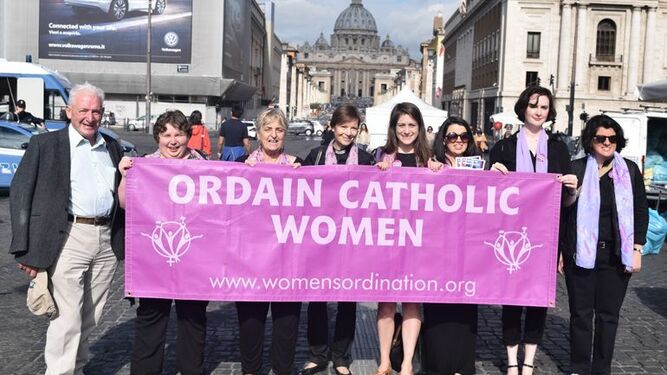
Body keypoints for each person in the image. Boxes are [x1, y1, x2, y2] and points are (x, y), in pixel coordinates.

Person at [9, 83, 125, 374]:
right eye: (83, 110)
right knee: (67, 316)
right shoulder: (46, 145)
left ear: (103, 113)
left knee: (91, 315)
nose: (90, 117)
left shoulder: (111, 146)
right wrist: (25, 249)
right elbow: (21, 192)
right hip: (68, 236)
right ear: (68, 111)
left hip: (105, 240)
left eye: (96, 110)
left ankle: (78, 366)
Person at [489, 86, 578, 375]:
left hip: (546, 236)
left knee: (538, 299)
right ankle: (512, 359)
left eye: (543, 107)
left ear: (549, 112)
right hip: (510, 234)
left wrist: (573, 189)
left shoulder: (558, 148)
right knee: (512, 298)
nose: (538, 111)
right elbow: (489, 196)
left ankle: (529, 361)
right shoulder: (503, 147)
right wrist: (491, 177)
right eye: (533, 106)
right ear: (523, 108)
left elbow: (566, 201)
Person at [118, 110, 209, 375]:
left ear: (187, 136)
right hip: (153, 256)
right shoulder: (143, 164)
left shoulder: (203, 163)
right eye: (167, 134)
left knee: (193, 316)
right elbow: (125, 203)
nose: (173, 141)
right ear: (158, 137)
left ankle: (191, 369)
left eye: (178, 134)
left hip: (194, 255)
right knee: (151, 316)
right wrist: (125, 176)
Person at [562, 114, 648, 375]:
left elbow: (641, 210)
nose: (607, 142)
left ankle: (601, 369)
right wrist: (572, 194)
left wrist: (637, 248)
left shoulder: (629, 170)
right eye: (601, 138)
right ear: (591, 140)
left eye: (612, 138)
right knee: (580, 315)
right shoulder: (576, 169)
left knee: (608, 316)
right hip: (580, 253)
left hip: (615, 254)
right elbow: (564, 213)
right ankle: (579, 367)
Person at [299, 105, 374, 375]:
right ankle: (317, 354)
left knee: (347, 301)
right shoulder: (316, 156)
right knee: (317, 299)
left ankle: (342, 357)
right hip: (320, 240)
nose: (348, 132)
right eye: (344, 126)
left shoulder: (365, 159)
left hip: (352, 240)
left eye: (354, 127)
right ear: (332, 126)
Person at [235, 108, 303, 375]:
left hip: (288, 261)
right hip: (250, 261)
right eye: (268, 129)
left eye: (279, 130)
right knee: (250, 322)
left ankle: (282, 370)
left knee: (287, 323)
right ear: (258, 133)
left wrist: (305, 179)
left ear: (285, 133)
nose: (273, 135)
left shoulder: (299, 166)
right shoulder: (241, 165)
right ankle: (251, 370)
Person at [374, 102, 431, 375]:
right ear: (393, 129)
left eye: (411, 125)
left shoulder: (429, 159)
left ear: (418, 128)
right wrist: (375, 172)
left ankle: (407, 362)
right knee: (385, 304)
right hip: (387, 240)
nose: (406, 130)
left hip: (418, 242)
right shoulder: (380, 155)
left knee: (411, 303)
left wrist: (441, 173)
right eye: (401, 125)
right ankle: (385, 359)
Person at [420, 116, 480, 375]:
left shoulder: (480, 168)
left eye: (463, 136)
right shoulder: (431, 166)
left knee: (466, 311)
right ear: (443, 140)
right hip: (436, 250)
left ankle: (462, 366)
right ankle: (437, 366)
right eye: (452, 136)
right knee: (437, 310)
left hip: (469, 250)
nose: (458, 141)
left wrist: (499, 174)